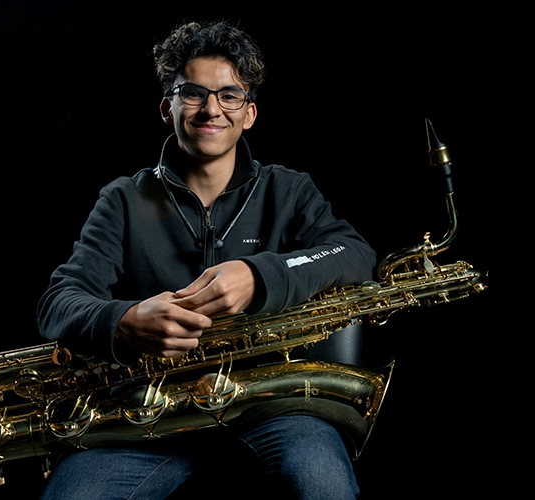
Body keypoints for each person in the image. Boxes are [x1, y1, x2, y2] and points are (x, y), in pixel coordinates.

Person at [36, 20, 376, 500]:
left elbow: (354, 253)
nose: (211, 109)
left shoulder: (290, 189)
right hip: (146, 418)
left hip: (273, 408)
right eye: (192, 93)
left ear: (250, 112)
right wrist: (123, 321)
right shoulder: (121, 200)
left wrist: (260, 276)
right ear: (167, 107)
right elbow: (58, 302)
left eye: (229, 95)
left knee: (322, 484)